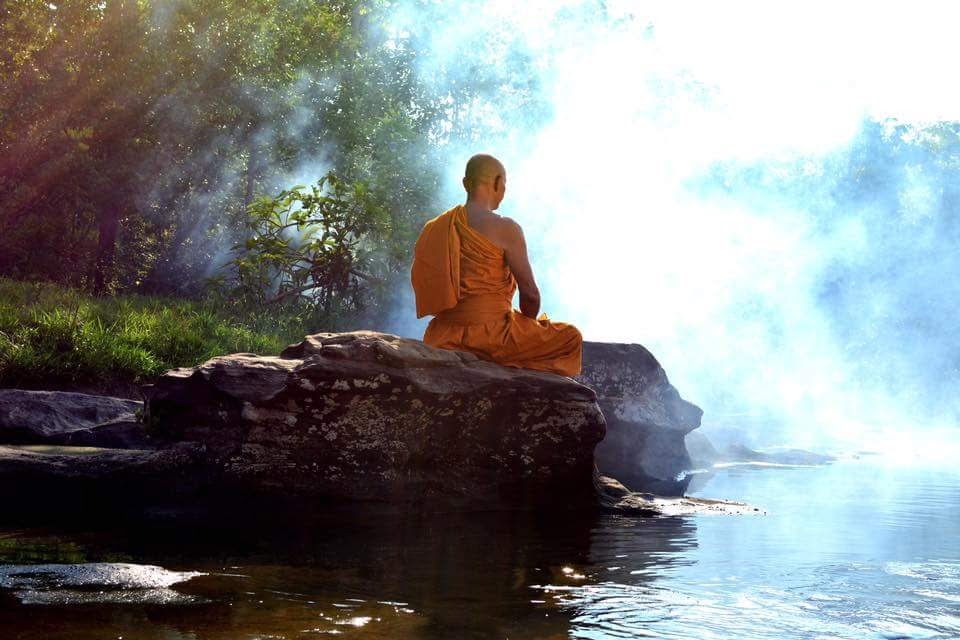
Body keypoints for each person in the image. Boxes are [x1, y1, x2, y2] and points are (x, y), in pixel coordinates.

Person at [411, 153, 582, 376]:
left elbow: (426, 286)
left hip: (442, 335)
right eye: (504, 184)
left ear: (465, 183)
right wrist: (527, 325)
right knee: (571, 336)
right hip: (491, 338)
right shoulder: (506, 228)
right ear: (498, 183)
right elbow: (530, 295)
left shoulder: (434, 228)